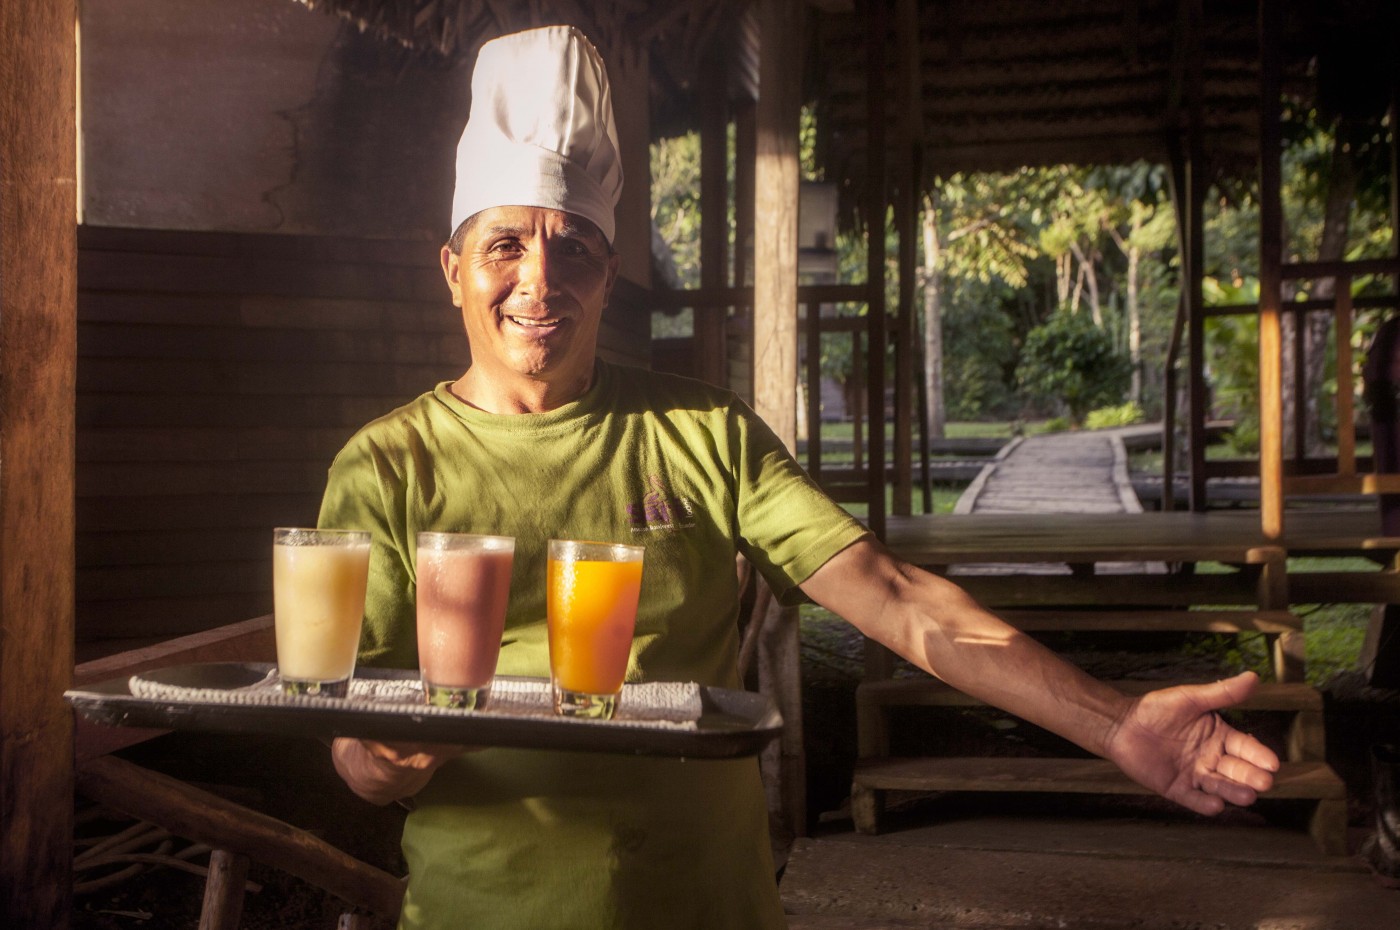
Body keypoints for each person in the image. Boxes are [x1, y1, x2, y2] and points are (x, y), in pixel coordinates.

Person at [322, 25, 1280, 930]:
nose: (540, 279)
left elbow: (895, 596)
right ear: (453, 270)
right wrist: (390, 755)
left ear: (609, 276)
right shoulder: (388, 467)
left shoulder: (703, 433)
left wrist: (1115, 724)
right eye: (505, 245)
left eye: (574, 245)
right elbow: (355, 757)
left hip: (706, 904)